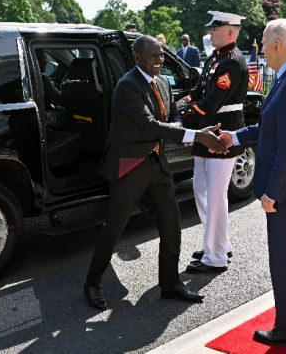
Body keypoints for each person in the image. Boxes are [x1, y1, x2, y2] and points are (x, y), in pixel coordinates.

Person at [83, 35, 230, 310]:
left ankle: (170, 283)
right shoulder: (127, 86)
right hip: (129, 163)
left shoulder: (162, 81)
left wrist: (188, 129)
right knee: (114, 227)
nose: (160, 61)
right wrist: (195, 136)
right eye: (154, 56)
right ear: (137, 57)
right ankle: (92, 283)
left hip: (156, 163)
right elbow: (148, 125)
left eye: (162, 55)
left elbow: (171, 116)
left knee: (171, 222)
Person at [220, 18, 286, 348]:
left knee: (284, 259)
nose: (261, 50)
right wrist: (235, 136)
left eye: (263, 43)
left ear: (278, 44)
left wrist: (271, 192)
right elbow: (272, 130)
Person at [177, 11, 249, 274]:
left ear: (230, 31)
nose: (210, 32)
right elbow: (198, 93)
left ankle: (216, 257)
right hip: (207, 132)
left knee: (216, 196)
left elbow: (210, 104)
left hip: (222, 134)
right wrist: (180, 103)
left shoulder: (231, 62)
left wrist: (178, 115)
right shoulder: (216, 59)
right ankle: (216, 243)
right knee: (202, 190)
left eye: (214, 28)